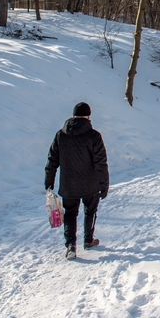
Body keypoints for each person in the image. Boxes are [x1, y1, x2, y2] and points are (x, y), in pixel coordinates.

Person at [45, 102, 110, 260]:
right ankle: (88, 240)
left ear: (73, 115)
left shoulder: (61, 135)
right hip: (90, 184)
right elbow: (100, 162)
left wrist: (49, 181)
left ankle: (71, 245)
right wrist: (104, 184)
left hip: (68, 184)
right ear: (88, 116)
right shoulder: (94, 136)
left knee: (70, 213)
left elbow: (52, 160)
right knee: (90, 211)